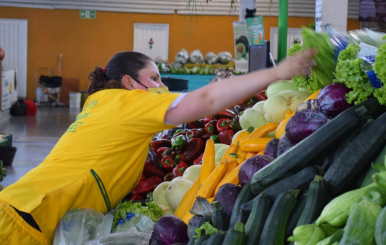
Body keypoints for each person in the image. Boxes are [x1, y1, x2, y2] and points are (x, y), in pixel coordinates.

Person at [0, 50, 316, 244]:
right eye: (154, 78)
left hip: (21, 209)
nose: (163, 87)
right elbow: (205, 100)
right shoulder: (128, 102)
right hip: (26, 221)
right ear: (129, 82)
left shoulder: (101, 103)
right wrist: (277, 73)